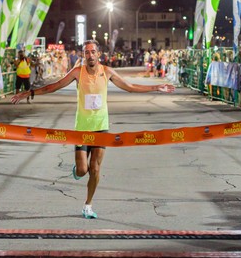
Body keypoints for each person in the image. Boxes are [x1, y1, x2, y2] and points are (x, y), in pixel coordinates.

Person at [10, 40, 174, 219]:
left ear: (99, 54)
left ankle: (88, 204)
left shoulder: (107, 72)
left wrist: (156, 87)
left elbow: (131, 87)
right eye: (86, 52)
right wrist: (29, 92)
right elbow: (54, 86)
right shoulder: (77, 73)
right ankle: (78, 170)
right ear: (83, 55)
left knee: (95, 169)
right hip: (82, 128)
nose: (90, 55)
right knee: (82, 170)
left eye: (93, 52)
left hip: (101, 127)